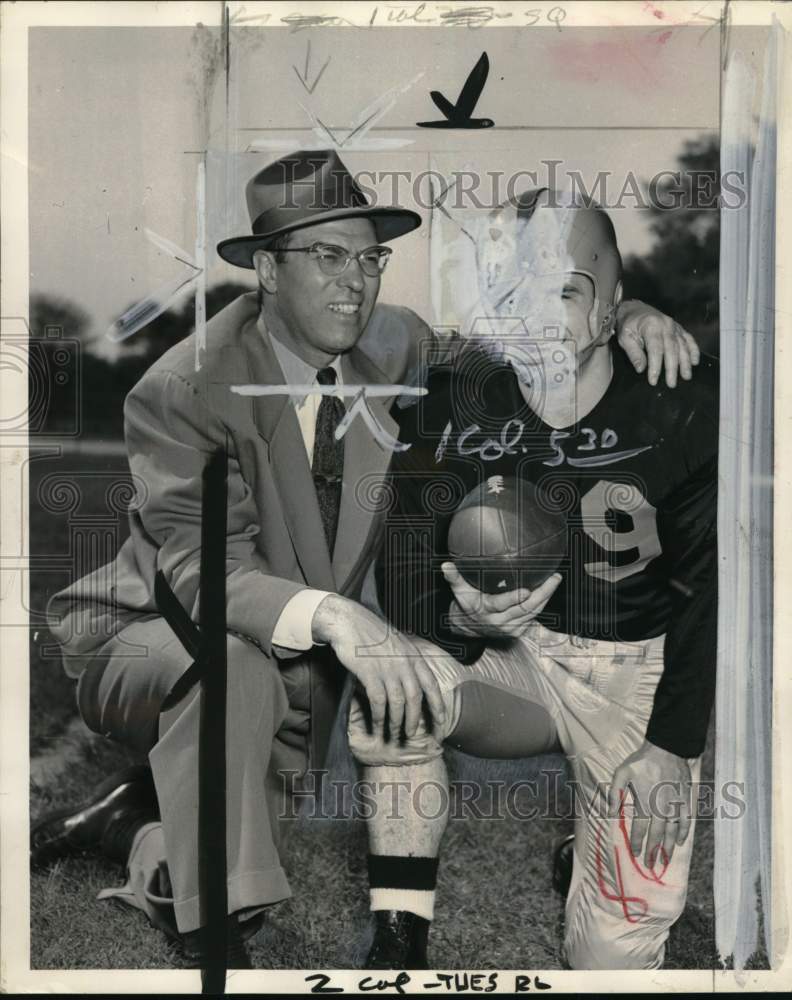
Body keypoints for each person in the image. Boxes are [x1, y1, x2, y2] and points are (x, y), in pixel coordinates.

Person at [35, 151, 699, 967]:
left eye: (369, 256)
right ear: (268, 271)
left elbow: (537, 339)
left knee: (230, 824)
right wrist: (346, 618)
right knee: (236, 708)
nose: (355, 281)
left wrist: (632, 321)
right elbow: (203, 575)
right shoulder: (188, 387)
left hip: (297, 655)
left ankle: (126, 822)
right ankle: (216, 946)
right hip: (160, 628)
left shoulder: (396, 343)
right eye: (325, 256)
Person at [348, 188, 718, 971]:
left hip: (631, 679)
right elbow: (404, 567)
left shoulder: (683, 398)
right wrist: (463, 623)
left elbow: (708, 594)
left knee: (611, 967)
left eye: (562, 292)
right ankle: (398, 939)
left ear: (612, 307)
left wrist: (669, 749)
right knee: (389, 688)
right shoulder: (452, 398)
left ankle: (589, 845)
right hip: (512, 667)